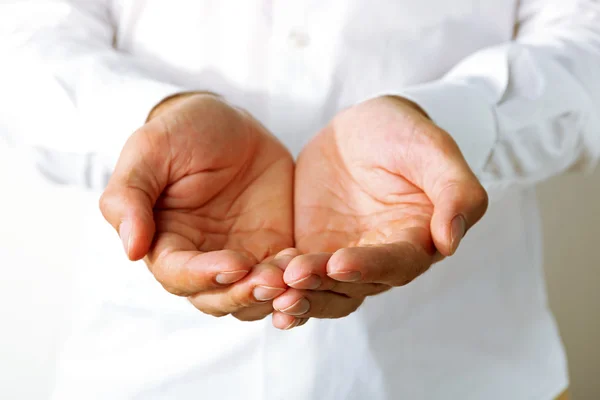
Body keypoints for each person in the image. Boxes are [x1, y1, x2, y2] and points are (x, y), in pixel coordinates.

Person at [1, 1, 597, 399]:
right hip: (149, 372)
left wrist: (447, 124)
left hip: (466, 372)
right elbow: (23, 46)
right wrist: (149, 124)